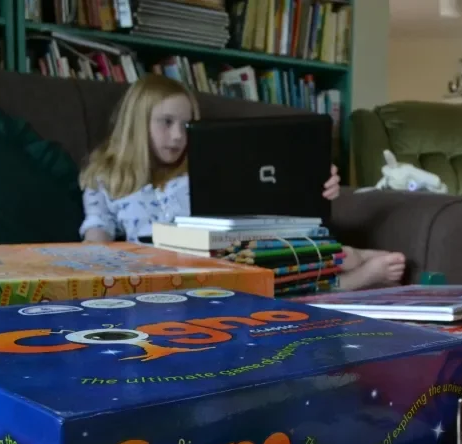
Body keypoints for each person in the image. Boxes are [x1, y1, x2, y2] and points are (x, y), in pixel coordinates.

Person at [78, 74, 405, 291]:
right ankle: (357, 276)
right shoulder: (106, 175)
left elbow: (260, 196)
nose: (177, 136)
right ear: (137, 123)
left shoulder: (201, 167)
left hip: (226, 253)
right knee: (256, 284)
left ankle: (346, 255)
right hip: (167, 270)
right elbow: (97, 227)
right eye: (166, 122)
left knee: (264, 262)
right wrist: (98, 261)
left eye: (186, 126)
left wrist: (318, 181)